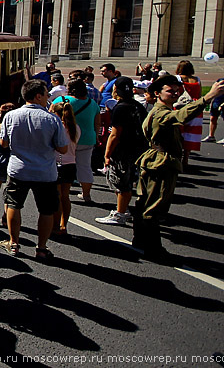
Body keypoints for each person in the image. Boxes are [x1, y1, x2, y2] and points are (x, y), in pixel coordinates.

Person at [133, 77, 224, 260]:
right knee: (154, 206)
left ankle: (141, 240)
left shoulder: (163, 109)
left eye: (177, 91)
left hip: (157, 160)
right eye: (170, 90)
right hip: (161, 162)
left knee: (144, 202)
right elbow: (180, 117)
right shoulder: (161, 113)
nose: (175, 93)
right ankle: (153, 249)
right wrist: (208, 97)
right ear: (157, 93)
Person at [0, 79, 68, 259]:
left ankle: (14, 243)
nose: (48, 98)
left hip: (18, 169)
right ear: (38, 96)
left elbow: (3, 143)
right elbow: (62, 148)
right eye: (46, 95)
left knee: (14, 204)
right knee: (46, 210)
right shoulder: (52, 119)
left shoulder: (11, 116)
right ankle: (42, 248)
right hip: (45, 171)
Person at [96, 77, 147, 225]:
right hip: (137, 148)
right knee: (128, 180)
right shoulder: (137, 106)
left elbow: (115, 134)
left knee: (121, 181)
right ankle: (123, 208)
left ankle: (121, 213)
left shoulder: (120, 108)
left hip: (122, 150)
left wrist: (107, 154)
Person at [55, 78, 100, 202]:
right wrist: (96, 136)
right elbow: (97, 123)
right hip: (87, 138)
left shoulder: (61, 100)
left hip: (67, 138)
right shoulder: (92, 103)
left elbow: (51, 117)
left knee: (62, 165)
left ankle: (63, 192)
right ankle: (86, 194)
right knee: (85, 166)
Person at [50, 101, 80, 237]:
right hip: (71, 164)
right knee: (65, 196)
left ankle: (55, 225)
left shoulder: (57, 128)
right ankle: (63, 224)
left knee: (56, 197)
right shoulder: (75, 128)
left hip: (57, 163)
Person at [175, 60, 202, 170]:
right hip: (195, 109)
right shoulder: (197, 79)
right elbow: (200, 95)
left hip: (181, 108)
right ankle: (185, 159)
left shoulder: (178, 78)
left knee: (178, 133)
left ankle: (177, 157)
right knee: (190, 134)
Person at [203, 77, 224, 143]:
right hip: (216, 101)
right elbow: (213, 91)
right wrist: (211, 100)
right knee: (213, 118)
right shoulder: (220, 80)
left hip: (223, 103)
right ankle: (211, 136)